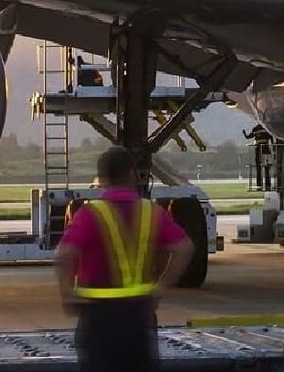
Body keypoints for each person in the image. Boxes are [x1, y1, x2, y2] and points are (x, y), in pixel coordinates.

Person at [54, 148, 194, 372]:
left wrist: (67, 292)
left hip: (98, 316)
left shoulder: (91, 214)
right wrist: (161, 287)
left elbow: (63, 254)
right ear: (132, 174)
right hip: (138, 315)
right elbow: (184, 247)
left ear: (101, 179)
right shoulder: (151, 212)